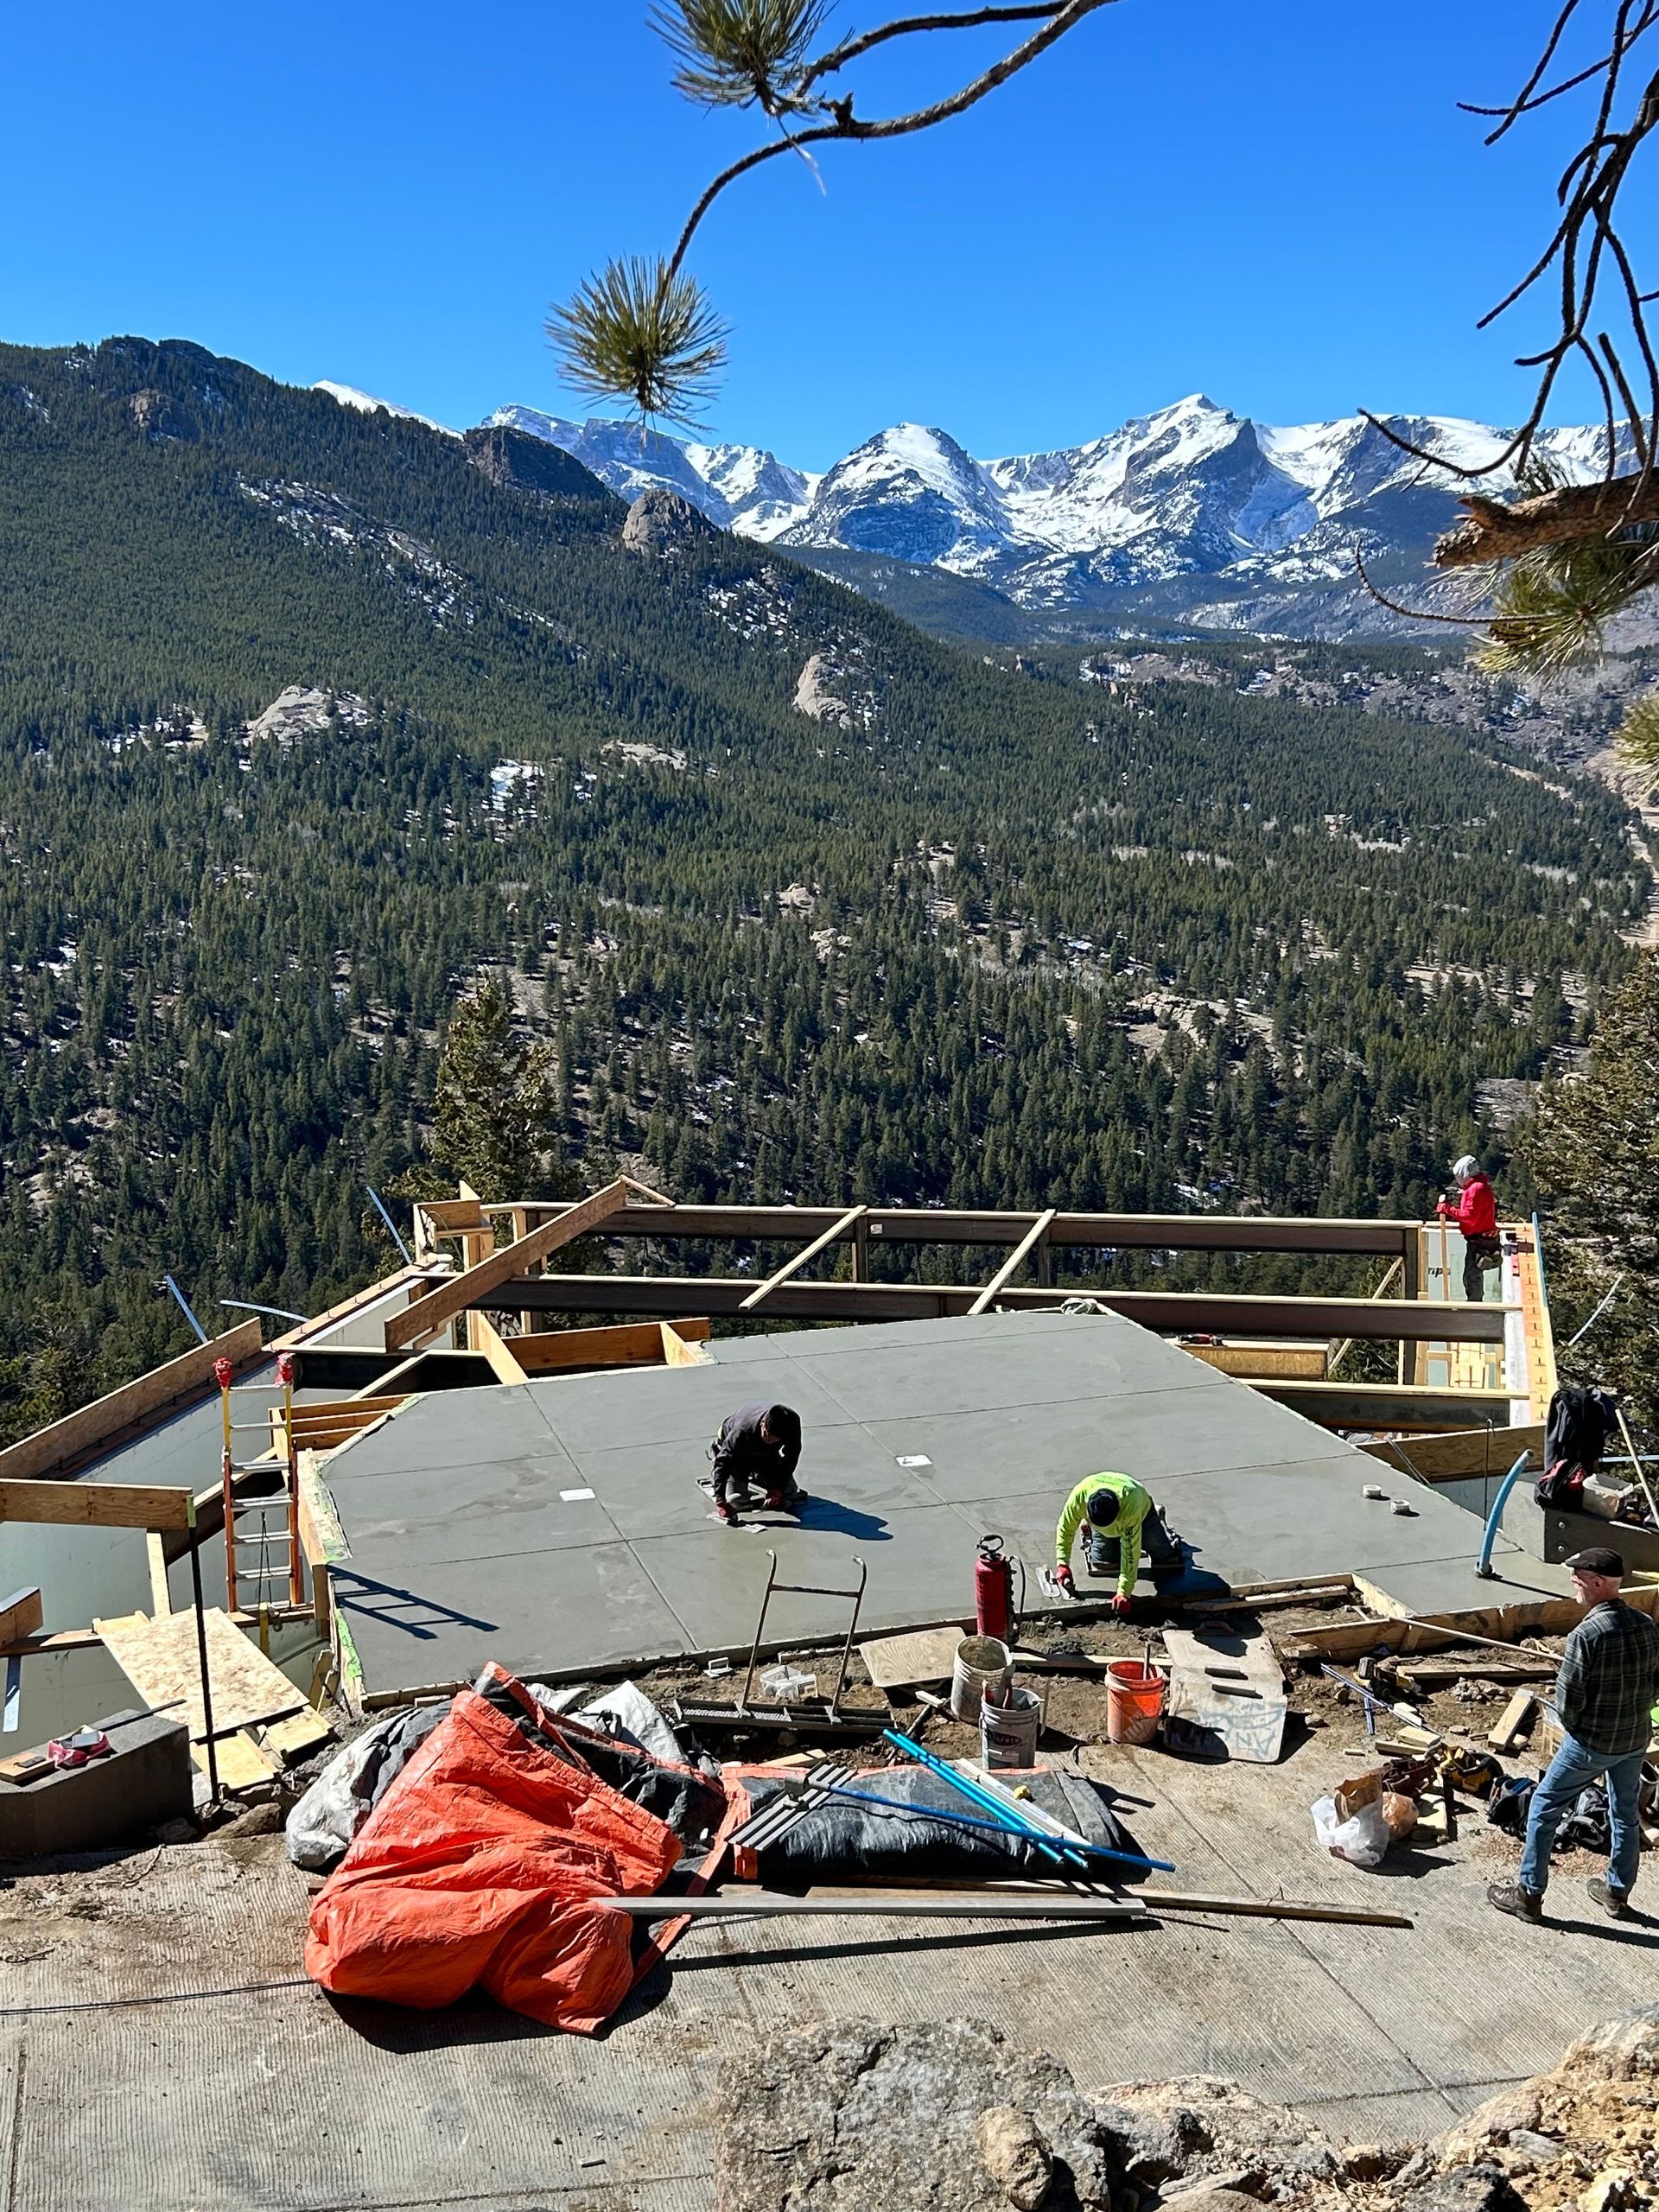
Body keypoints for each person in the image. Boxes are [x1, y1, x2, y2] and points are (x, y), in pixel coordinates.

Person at [1490, 1545, 1659, 1924]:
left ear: (1597, 1583)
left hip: (1591, 1744)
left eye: (1578, 1578)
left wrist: (1582, 1733)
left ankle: (1528, 1896)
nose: (1572, 1584)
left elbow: (1568, 1704)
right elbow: (1656, 1686)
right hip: (1634, 1740)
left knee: (1543, 1806)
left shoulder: (1587, 1634)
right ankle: (1617, 1894)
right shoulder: (1647, 1625)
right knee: (1625, 1814)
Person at [1053, 1471, 1183, 1617]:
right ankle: (1094, 1531)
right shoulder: (1079, 1497)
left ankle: (1160, 1523)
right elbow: (1065, 1529)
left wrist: (1124, 1592)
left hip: (1142, 1515)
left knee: (1166, 1558)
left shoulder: (1130, 1505)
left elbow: (1130, 1552)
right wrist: (1062, 1564)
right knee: (1103, 1563)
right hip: (1107, 1526)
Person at [708, 1402, 804, 1527]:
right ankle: (743, 1475)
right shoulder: (743, 1428)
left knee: (789, 1492)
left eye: (775, 1438)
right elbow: (724, 1461)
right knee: (737, 1500)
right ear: (763, 1423)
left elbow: (791, 1457)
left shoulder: (791, 1425)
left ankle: (759, 1476)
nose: (770, 1440)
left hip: (767, 1455)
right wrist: (720, 1499)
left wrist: (777, 1488)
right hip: (738, 1455)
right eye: (768, 1435)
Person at [1438, 1154, 1501, 1303]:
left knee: (1472, 1277)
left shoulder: (1475, 1189)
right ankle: (1475, 1304)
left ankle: (1475, 1307)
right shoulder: (1480, 1186)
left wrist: (1446, 1208)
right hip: (1485, 1237)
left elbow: (1469, 1218)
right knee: (1473, 1275)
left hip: (1479, 1239)